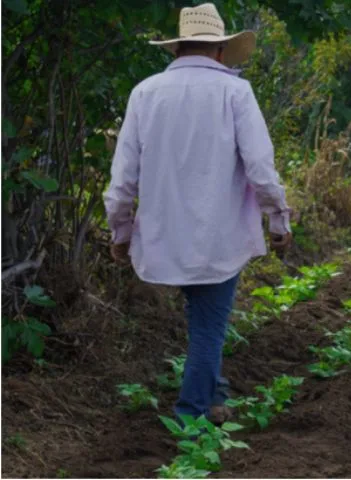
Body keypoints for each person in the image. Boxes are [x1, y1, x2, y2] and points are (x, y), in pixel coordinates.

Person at [103, 3, 292, 425]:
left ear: (176, 50)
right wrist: (279, 221)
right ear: (221, 52)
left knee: (204, 319)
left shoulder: (144, 94)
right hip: (218, 237)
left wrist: (120, 232)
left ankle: (215, 395)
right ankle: (191, 415)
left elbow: (123, 179)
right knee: (209, 324)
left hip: (163, 237)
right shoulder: (235, 93)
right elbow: (261, 168)